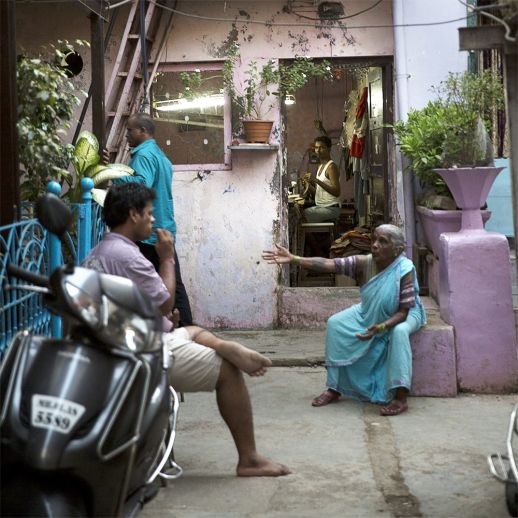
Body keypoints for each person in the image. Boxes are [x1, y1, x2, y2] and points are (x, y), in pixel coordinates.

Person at [84, 183, 290, 477]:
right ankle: (249, 459)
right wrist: (167, 257)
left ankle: (221, 345)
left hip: (126, 339)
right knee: (227, 372)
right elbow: (166, 303)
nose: (154, 220)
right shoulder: (128, 256)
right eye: (149, 214)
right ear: (133, 215)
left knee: (192, 329)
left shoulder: (102, 250)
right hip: (141, 350)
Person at [262, 224, 426, 416]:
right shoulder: (366, 263)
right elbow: (328, 264)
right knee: (335, 323)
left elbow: (403, 313)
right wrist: (294, 259)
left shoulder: (406, 269)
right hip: (369, 311)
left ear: (397, 250)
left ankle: (400, 396)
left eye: (383, 242)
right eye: (374, 239)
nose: (374, 245)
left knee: (399, 332)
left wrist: (381, 327)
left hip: (406, 314)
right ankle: (334, 388)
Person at [110, 112, 193, 328]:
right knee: (174, 283)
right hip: (164, 228)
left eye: (130, 130)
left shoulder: (144, 156)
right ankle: (185, 328)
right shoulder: (159, 155)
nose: (127, 134)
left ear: (143, 131)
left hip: (150, 232)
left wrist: (110, 173)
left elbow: (141, 185)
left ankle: (179, 329)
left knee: (151, 284)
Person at [302, 136, 341, 224]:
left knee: (300, 217)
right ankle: (316, 238)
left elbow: (337, 192)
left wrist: (316, 180)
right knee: (299, 213)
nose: (318, 151)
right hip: (321, 207)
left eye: (322, 147)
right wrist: (307, 184)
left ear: (329, 149)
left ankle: (314, 238)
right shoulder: (320, 167)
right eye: (316, 148)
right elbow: (318, 193)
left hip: (331, 208)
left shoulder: (331, 167)